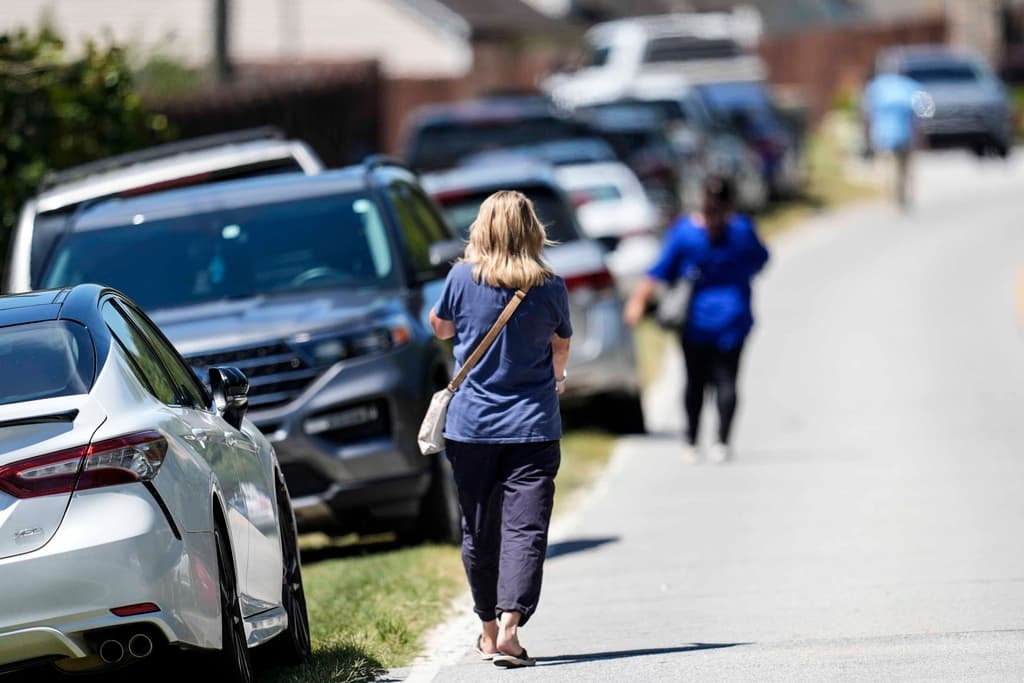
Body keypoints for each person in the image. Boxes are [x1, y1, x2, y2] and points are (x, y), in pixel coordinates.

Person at [429, 190, 572, 669]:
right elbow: (560, 346)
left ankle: (488, 631)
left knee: (478, 529)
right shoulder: (551, 286)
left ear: (482, 229)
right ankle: (510, 629)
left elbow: (441, 329)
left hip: (471, 430)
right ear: (533, 230)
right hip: (532, 427)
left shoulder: (459, 278)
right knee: (525, 529)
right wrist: (557, 379)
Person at [624, 176, 768, 464]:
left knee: (695, 381)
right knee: (728, 381)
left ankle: (691, 441)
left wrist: (638, 300)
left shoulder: (686, 232)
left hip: (694, 321)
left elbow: (660, 270)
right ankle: (722, 443)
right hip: (734, 317)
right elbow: (761, 260)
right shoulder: (741, 229)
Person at [862, 68, 922, 209]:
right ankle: (902, 196)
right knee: (903, 168)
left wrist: (866, 136)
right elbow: (920, 114)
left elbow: (867, 112)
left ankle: (890, 198)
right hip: (905, 134)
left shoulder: (877, 87)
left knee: (887, 168)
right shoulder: (910, 86)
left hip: (882, 135)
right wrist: (920, 136)